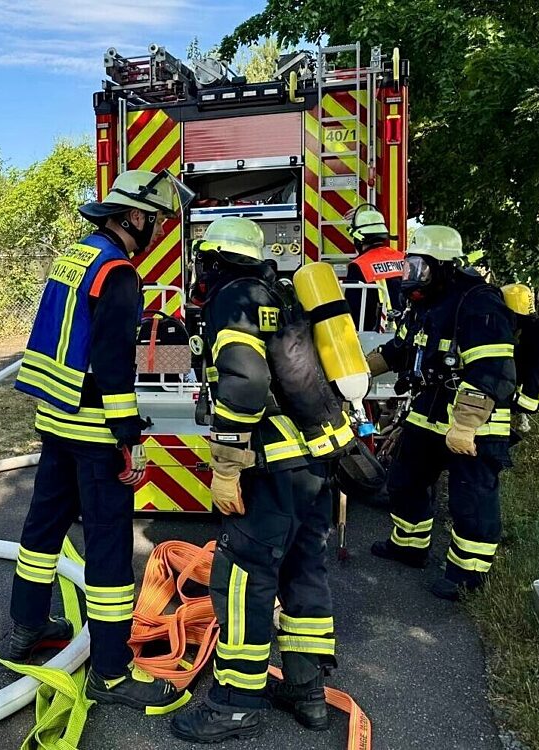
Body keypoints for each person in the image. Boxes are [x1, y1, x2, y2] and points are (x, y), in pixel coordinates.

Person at [4, 169, 189, 710]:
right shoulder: (120, 273)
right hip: (93, 430)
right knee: (108, 551)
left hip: (55, 420)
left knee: (42, 529)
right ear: (135, 216)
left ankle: (28, 626)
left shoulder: (77, 256)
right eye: (157, 220)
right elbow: (112, 364)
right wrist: (128, 437)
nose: (160, 230)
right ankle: (109, 673)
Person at [171, 218, 343, 742]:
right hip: (313, 462)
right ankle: (307, 692)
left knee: (243, 580)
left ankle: (235, 705)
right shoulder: (280, 295)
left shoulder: (233, 298)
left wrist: (226, 466)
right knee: (302, 572)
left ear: (213, 260)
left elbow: (246, 382)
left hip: (270, 469)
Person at [366, 225, 516, 601]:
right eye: (409, 267)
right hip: (430, 408)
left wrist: (465, 425)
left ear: (445, 267)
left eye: (420, 268)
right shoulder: (424, 303)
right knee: (405, 480)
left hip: (475, 422)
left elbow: (493, 370)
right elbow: (400, 350)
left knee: (471, 499)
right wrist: (356, 371)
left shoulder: (478, 303)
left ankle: (467, 575)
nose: (412, 276)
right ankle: (409, 546)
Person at [343, 206, 405, 331]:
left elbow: (354, 309)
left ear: (359, 238)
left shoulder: (358, 266)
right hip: (406, 330)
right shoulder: (402, 258)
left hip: (375, 333)